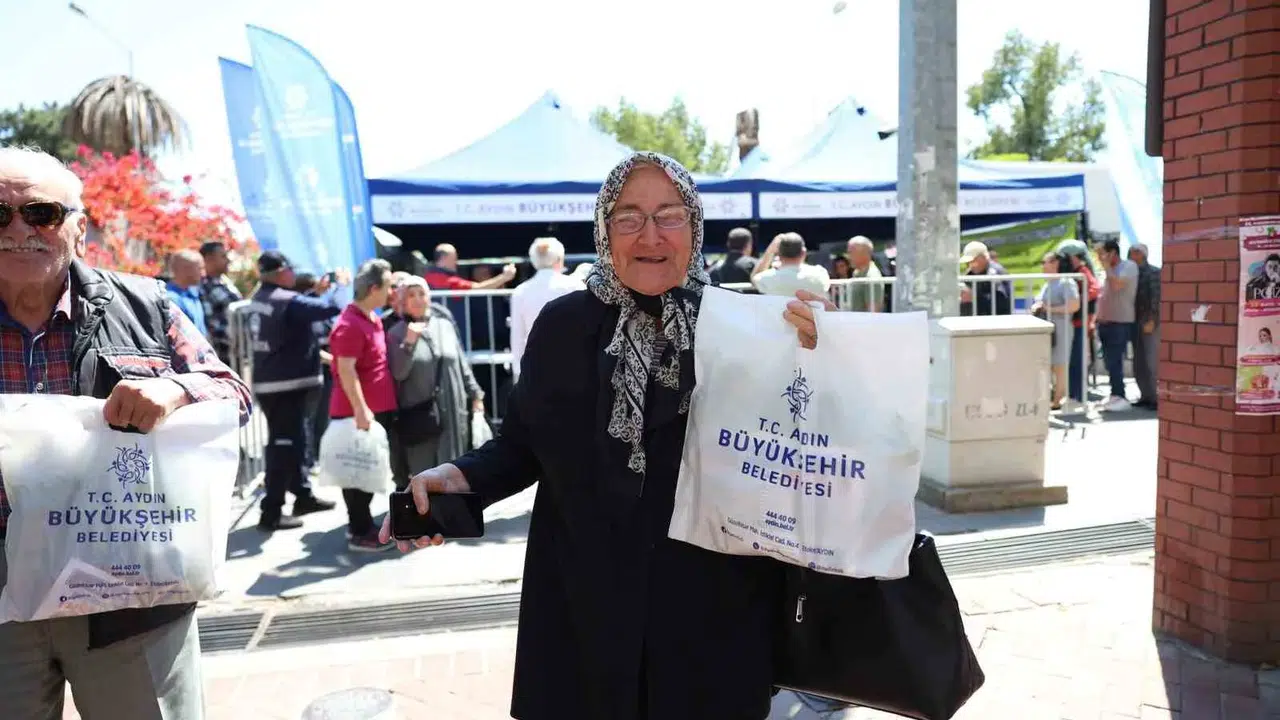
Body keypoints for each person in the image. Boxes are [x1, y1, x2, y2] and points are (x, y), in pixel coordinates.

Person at [380, 152, 834, 720]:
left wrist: (822, 354)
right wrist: (461, 476)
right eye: (628, 217)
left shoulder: (746, 325)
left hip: (713, 608)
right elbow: (523, 444)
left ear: (695, 226)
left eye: (669, 215)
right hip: (585, 603)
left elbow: (805, 444)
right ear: (604, 230)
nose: (649, 235)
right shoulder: (564, 325)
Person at [0, 145, 252, 719]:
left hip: (126, 580)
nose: (19, 229)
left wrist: (178, 391)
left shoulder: (146, 304)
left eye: (40, 213)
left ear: (78, 227)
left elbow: (231, 392)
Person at [244, 251, 343, 531]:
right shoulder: (285, 300)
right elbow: (325, 309)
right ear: (281, 272)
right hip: (285, 387)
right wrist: (338, 289)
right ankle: (271, 512)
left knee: (296, 443)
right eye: (291, 270)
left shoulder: (261, 298)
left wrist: (316, 291)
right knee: (284, 448)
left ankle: (303, 495)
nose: (293, 275)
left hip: (275, 385)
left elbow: (300, 306)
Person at [329, 258, 398, 552]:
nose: (392, 291)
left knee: (368, 471)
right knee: (357, 473)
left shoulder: (370, 317)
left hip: (372, 409)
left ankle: (362, 526)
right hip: (358, 412)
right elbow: (346, 369)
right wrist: (360, 408)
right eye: (389, 285)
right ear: (373, 288)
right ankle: (360, 531)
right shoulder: (350, 323)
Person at [387, 276, 485, 476]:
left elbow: (460, 362)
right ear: (402, 301)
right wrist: (409, 343)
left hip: (453, 413)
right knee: (425, 474)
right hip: (421, 418)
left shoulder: (444, 325)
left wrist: (475, 395)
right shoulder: (396, 333)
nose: (417, 299)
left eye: (422, 294)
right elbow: (398, 372)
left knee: (456, 470)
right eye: (411, 295)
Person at [509, 237, 585, 380]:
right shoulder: (575, 286)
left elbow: (517, 337)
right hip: (573, 365)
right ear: (558, 259)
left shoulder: (521, 291)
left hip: (535, 368)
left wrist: (517, 373)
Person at [1032, 252, 1080, 410]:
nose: (1042, 266)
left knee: (1060, 364)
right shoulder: (1047, 284)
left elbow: (1074, 305)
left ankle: (1058, 399)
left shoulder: (1066, 282)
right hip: (1048, 329)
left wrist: (1049, 308)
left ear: (1055, 263)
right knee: (1049, 364)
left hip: (1061, 328)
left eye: (1045, 262)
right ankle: (1051, 396)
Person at [1095, 239, 1139, 412]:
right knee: (1108, 361)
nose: (1099, 258)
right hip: (1104, 322)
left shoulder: (1128, 267)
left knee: (1115, 361)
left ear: (1113, 252)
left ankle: (1120, 395)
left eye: (1102, 254)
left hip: (1119, 322)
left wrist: (1107, 267)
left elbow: (1116, 286)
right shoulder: (1105, 271)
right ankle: (1115, 394)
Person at [1129, 243, 1161, 409]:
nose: (1132, 255)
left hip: (1148, 321)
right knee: (1138, 361)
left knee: (1151, 360)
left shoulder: (1154, 272)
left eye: (1136, 252)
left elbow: (1156, 298)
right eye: (1131, 252)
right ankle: (1145, 396)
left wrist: (1152, 320)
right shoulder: (1131, 274)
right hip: (1134, 322)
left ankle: (1156, 398)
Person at [199, 240, 242, 363]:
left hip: (236, 353)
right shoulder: (202, 287)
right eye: (223, 256)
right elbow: (209, 324)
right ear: (209, 259)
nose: (228, 260)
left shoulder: (224, 282)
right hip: (220, 356)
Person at [751, 232, 831, 297]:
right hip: (812, 317)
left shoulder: (767, 278)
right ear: (803, 253)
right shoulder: (819, 274)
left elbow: (755, 277)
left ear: (778, 254)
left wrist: (770, 251)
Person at [958, 241, 1012, 316]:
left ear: (983, 257)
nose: (970, 265)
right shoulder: (971, 273)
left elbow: (1000, 303)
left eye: (973, 261)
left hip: (996, 321)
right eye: (967, 263)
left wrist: (973, 297)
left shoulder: (995, 273)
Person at [164, 248, 207, 335]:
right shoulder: (170, 298)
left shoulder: (193, 293)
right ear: (185, 269)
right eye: (199, 268)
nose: (203, 274)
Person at [846, 235, 883, 312]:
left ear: (864, 253)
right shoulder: (857, 273)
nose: (848, 256)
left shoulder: (872, 276)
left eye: (851, 252)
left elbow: (873, 311)